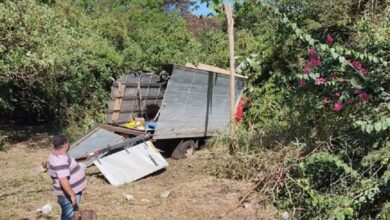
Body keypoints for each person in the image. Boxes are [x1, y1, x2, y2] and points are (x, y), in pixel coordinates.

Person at [47, 135, 87, 220]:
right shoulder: (60, 159)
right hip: (68, 194)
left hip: (69, 192)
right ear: (65, 145)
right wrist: (72, 195)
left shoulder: (56, 154)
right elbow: (63, 179)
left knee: (71, 214)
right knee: (69, 216)